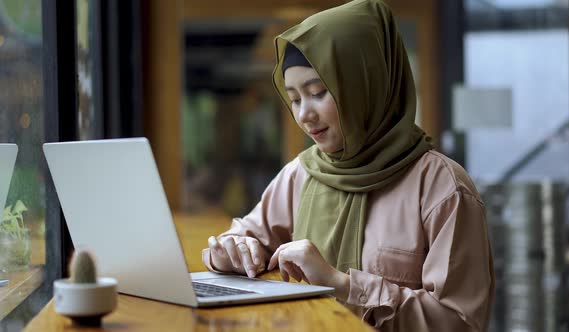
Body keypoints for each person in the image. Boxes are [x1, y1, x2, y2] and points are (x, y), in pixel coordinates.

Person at [202, 0, 494, 330]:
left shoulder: (441, 188)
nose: (304, 115)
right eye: (295, 98)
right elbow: (246, 235)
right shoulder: (302, 174)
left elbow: (458, 322)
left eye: (317, 92)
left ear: (364, 85)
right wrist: (228, 251)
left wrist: (344, 285)